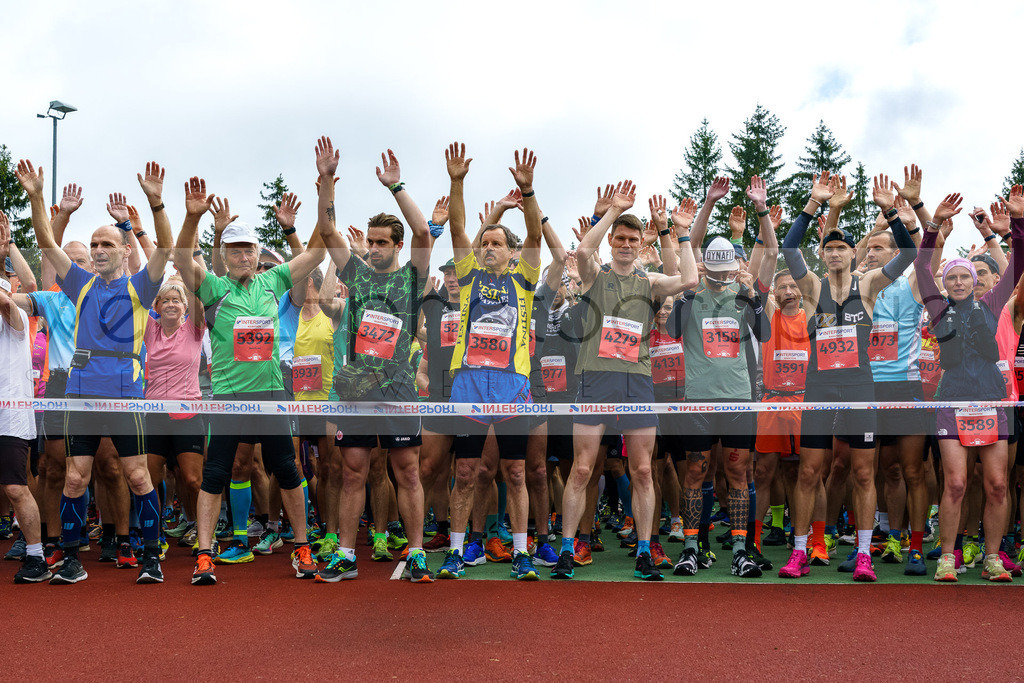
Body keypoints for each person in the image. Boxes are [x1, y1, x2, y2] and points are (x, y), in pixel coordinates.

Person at [17, 160, 173, 585]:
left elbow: (165, 247)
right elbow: (47, 244)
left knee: (137, 474)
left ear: (124, 252)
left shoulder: (140, 286)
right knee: (73, 476)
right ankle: (70, 558)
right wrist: (36, 195)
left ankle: (151, 558)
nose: (99, 248)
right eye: (94, 243)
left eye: (107, 243)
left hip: (125, 394)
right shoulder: (80, 283)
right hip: (80, 393)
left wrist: (155, 204)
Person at [172, 171, 326, 586]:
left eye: (249, 250)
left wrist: (325, 187)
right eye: (235, 251)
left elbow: (316, 252)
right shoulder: (214, 289)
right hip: (227, 396)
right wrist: (192, 219)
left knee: (289, 470)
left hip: (271, 392)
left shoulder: (273, 281)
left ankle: (302, 546)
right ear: (224, 254)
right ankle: (205, 555)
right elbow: (183, 259)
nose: (243, 257)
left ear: (259, 254)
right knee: (215, 473)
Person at [553, 185, 699, 581]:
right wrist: (612, 211)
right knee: (582, 470)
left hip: (637, 381)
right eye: (620, 238)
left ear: (639, 245)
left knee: (643, 471)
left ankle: (644, 552)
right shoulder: (593, 277)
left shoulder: (649, 283)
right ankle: (567, 549)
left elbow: (688, 279)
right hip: (596, 379)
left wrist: (679, 231)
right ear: (613, 242)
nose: (627, 244)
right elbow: (583, 252)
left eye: (633, 239)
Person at [778, 170, 917, 582]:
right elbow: (788, 247)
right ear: (823, 255)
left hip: (859, 385)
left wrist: (889, 211)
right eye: (830, 248)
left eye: (842, 248)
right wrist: (813, 204)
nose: (836, 254)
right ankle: (801, 551)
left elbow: (908, 255)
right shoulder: (810, 288)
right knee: (809, 471)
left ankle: (862, 554)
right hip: (820, 386)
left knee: (862, 472)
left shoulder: (870, 284)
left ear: (851, 255)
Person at [309, 138, 435, 583]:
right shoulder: (357, 275)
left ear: (397, 245)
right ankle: (345, 554)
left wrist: (396, 186)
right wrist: (326, 183)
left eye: (384, 242)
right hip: (356, 388)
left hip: (399, 387)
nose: (376, 247)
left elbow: (424, 234)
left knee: (407, 471)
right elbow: (328, 234)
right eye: (373, 242)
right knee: (352, 472)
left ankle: (417, 553)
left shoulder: (410, 276)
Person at [435, 144, 545, 581]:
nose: (489, 247)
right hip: (469, 386)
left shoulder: (524, 278)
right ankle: (458, 552)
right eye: (486, 243)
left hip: (512, 385)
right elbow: (459, 226)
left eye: (497, 242)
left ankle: (520, 552)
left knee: (515, 471)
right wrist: (457, 181)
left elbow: (535, 236)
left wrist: (529, 193)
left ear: (510, 251)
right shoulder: (468, 278)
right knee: (466, 472)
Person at [915, 187, 1024, 582]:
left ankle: (993, 557)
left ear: (976, 280)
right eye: (954, 277)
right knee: (957, 483)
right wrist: (931, 227)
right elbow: (924, 268)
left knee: (997, 484)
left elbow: (1018, 264)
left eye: (967, 276)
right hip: (952, 403)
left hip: (992, 403)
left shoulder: (993, 304)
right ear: (946, 285)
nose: (960, 282)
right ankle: (947, 557)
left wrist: (1015, 225)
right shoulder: (937, 307)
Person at [668, 176, 775, 579]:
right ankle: (693, 546)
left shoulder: (743, 294)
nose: (721, 277)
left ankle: (740, 549)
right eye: (715, 272)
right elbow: (690, 251)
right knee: (696, 471)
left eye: (726, 272)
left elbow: (763, 334)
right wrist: (708, 204)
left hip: (738, 399)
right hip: (698, 399)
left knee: (738, 473)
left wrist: (762, 210)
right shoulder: (691, 292)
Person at [0, 213, 50, 583]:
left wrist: (5, 249)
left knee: (17, 487)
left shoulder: (14, 312)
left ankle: (36, 556)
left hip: (10, 413)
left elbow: (6, 303)